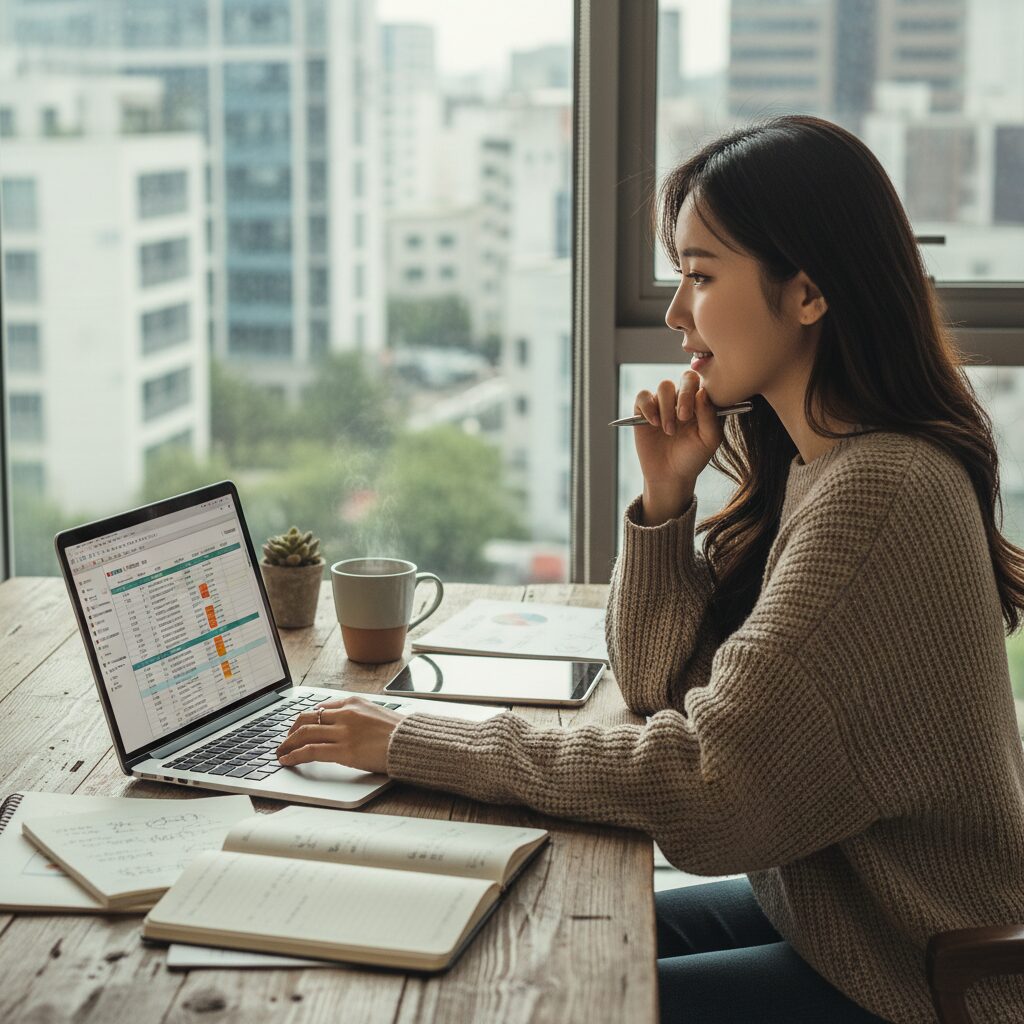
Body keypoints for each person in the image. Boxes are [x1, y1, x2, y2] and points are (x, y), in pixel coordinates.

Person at [275, 115, 1024, 1024]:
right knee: (539, 938)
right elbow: (657, 685)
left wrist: (411, 740)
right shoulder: (824, 467)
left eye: (700, 276)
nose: (675, 314)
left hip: (926, 978)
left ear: (809, 293)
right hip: (838, 916)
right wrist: (667, 501)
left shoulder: (879, 493)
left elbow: (707, 790)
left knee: (548, 996)